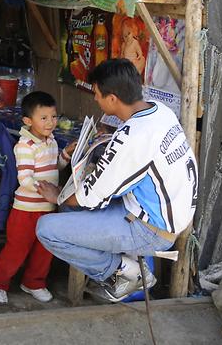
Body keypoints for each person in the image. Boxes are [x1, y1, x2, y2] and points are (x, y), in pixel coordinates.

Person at [35, 59, 198, 302]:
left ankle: (123, 272)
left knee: (47, 228)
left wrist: (58, 194)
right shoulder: (159, 110)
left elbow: (89, 198)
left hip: (152, 231)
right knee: (72, 208)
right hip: (171, 213)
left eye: (98, 94)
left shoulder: (134, 137)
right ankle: (122, 265)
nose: (96, 100)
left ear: (112, 99)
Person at [0, 91, 66, 305]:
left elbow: (53, 168)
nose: (51, 122)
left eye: (54, 117)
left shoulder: (52, 141)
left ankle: (33, 282)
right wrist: (46, 190)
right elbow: (25, 179)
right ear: (28, 121)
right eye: (44, 118)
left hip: (47, 209)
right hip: (25, 211)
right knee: (16, 250)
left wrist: (65, 157)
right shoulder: (24, 146)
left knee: (44, 249)